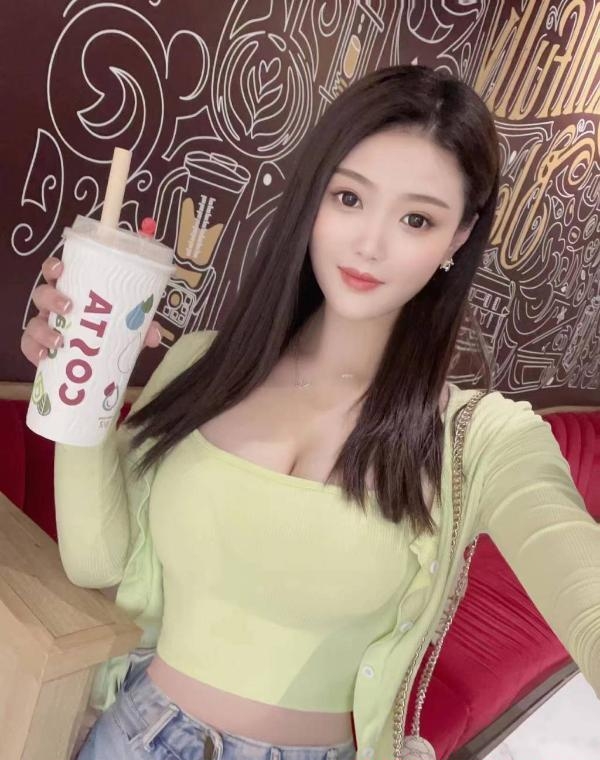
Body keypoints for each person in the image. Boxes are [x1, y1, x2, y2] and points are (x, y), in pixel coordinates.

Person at [21, 65, 599, 760]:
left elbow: (581, 582)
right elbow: (96, 559)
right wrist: (83, 371)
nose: (370, 244)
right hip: (129, 735)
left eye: (416, 219)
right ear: (313, 195)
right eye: (349, 197)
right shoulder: (206, 364)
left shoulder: (480, 439)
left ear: (457, 237)